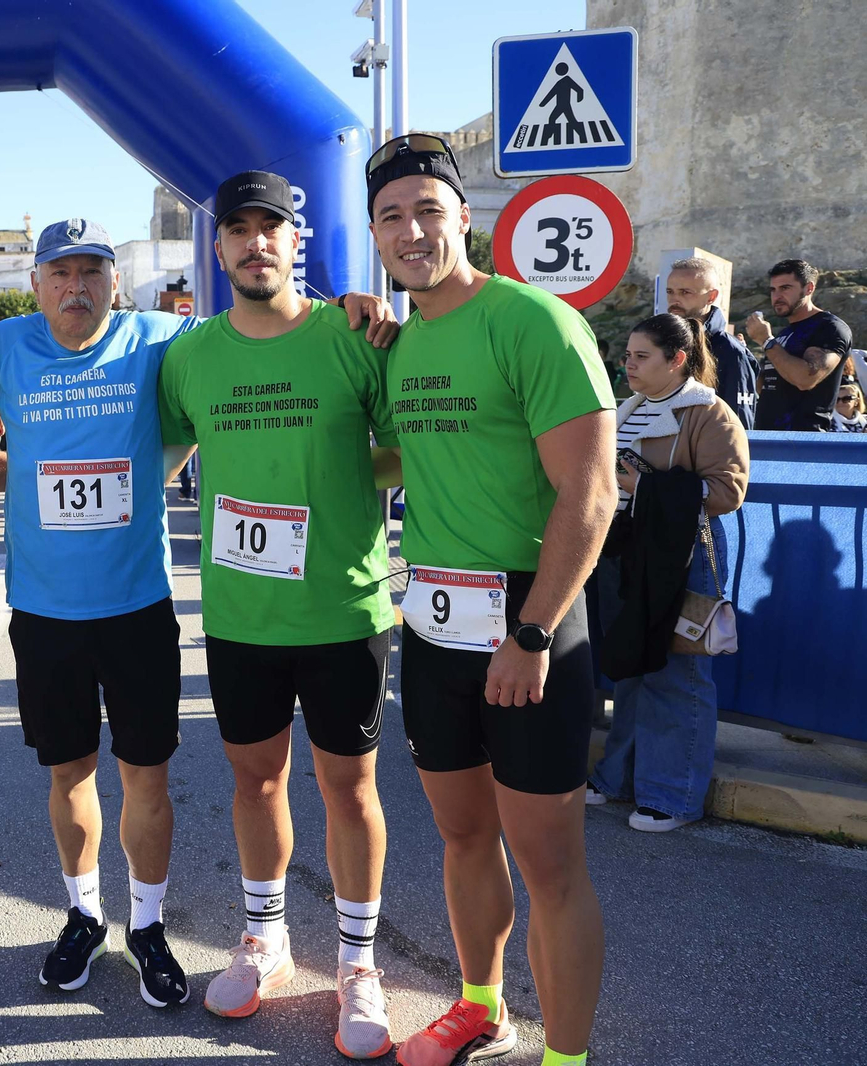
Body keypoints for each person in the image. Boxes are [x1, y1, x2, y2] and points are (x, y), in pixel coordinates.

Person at [0, 219, 397, 1014]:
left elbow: (263, 314)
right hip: (43, 609)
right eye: (59, 274)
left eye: (92, 273)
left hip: (138, 604)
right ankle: (83, 913)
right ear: (36, 285)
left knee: (147, 777)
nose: (76, 289)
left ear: (115, 281)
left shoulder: (163, 339)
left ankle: (147, 925)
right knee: (68, 774)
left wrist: (346, 301)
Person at [368, 134, 615, 1066]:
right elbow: (399, 456)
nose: (412, 229)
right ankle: (481, 1007)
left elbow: (589, 495)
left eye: (429, 209)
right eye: (392, 216)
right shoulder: (403, 342)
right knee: (465, 834)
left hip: (530, 620)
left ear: (464, 217)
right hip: (434, 616)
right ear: (376, 235)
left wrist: (533, 628)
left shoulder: (533, 321)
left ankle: (568, 1057)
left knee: (550, 864)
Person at [157, 170, 400, 1057]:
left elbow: (407, 447)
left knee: (351, 787)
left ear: (297, 242)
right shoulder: (191, 353)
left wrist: (340, 481)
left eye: (273, 229)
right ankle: (267, 939)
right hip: (239, 612)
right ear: (217, 249)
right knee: (255, 779)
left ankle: (360, 962)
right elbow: (164, 448)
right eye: (239, 231)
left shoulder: (355, 334)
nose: (255, 243)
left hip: (343, 606)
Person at [587, 314, 749, 831]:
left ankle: (673, 795)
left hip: (684, 556)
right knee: (634, 662)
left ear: (676, 359)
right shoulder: (628, 409)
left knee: (680, 671)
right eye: (628, 355)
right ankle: (620, 778)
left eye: (641, 357)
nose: (627, 364)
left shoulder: (710, 413)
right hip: (629, 552)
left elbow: (728, 491)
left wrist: (645, 487)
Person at [745, 259, 853, 432]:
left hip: (802, 442)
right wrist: (744, 356)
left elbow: (805, 379)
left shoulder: (830, 327)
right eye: (773, 290)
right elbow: (767, 386)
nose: (777, 296)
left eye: (785, 288)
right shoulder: (783, 334)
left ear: (808, 288)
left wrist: (766, 341)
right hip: (767, 437)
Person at [663, 257, 759, 428]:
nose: (674, 300)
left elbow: (738, 425)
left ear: (711, 297)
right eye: (670, 292)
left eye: (685, 292)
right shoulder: (660, 342)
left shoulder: (731, 352)